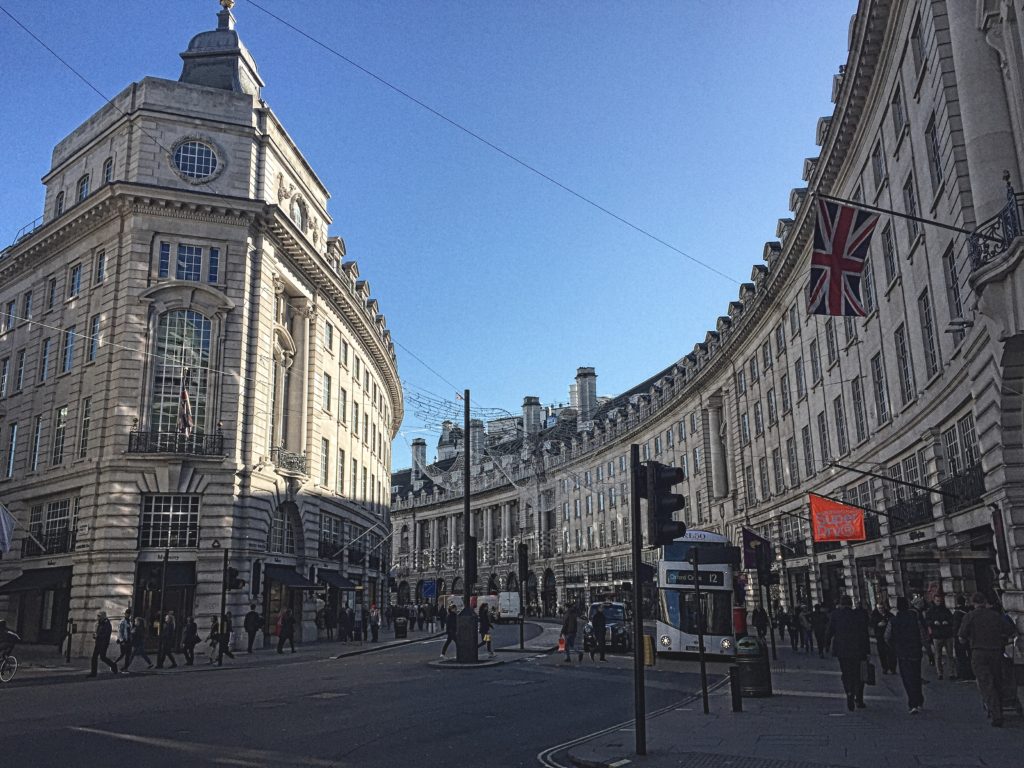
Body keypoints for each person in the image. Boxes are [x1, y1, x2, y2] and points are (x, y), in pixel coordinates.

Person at [958, 592, 1016, 727]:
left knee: (986, 684)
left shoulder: (969, 617)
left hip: (978, 652)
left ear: (973, 603)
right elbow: (1010, 631)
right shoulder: (995, 616)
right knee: (997, 681)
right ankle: (999, 709)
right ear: (985, 602)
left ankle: (996, 714)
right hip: (996, 652)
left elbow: (961, 637)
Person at [824, 596, 869, 711]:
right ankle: (859, 698)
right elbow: (864, 633)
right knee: (858, 674)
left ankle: (849, 691)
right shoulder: (858, 615)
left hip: (842, 650)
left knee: (846, 672)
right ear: (851, 604)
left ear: (841, 604)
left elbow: (829, 631)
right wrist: (866, 650)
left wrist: (826, 644)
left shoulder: (835, 615)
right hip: (858, 649)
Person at [885, 596, 928, 714]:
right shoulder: (914, 618)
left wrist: (893, 646)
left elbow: (887, 637)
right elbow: (922, 634)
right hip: (915, 650)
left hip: (902, 652)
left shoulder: (893, 620)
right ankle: (919, 699)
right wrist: (927, 647)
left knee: (907, 677)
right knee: (916, 674)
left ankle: (912, 702)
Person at [925, 594, 956, 680]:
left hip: (946, 634)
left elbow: (951, 619)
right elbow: (927, 621)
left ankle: (951, 673)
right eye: (937, 600)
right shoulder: (931, 611)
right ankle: (940, 673)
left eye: (939, 601)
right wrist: (933, 623)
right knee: (938, 655)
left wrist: (948, 622)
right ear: (934, 601)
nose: (938, 602)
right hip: (937, 635)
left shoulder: (945, 610)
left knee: (949, 655)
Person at [87, 611, 120, 677]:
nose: (97, 617)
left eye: (99, 616)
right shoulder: (100, 623)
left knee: (102, 657)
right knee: (94, 658)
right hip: (98, 642)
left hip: (104, 643)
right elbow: (98, 632)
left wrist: (98, 636)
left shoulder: (107, 624)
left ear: (102, 616)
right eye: (97, 616)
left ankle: (113, 665)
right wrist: (95, 636)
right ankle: (93, 673)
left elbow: (106, 635)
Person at [952, 596, 974, 681]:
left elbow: (955, 627)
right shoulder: (968, 612)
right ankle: (971, 673)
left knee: (961, 656)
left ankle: (963, 674)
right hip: (968, 637)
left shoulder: (957, 613)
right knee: (969, 655)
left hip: (959, 637)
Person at [871, 604, 896, 674]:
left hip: (889, 637)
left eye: (882, 608)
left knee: (891, 653)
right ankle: (885, 667)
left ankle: (892, 667)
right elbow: (871, 623)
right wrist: (877, 624)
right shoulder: (875, 615)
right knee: (882, 653)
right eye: (879, 608)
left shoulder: (889, 615)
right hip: (880, 637)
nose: (881, 609)